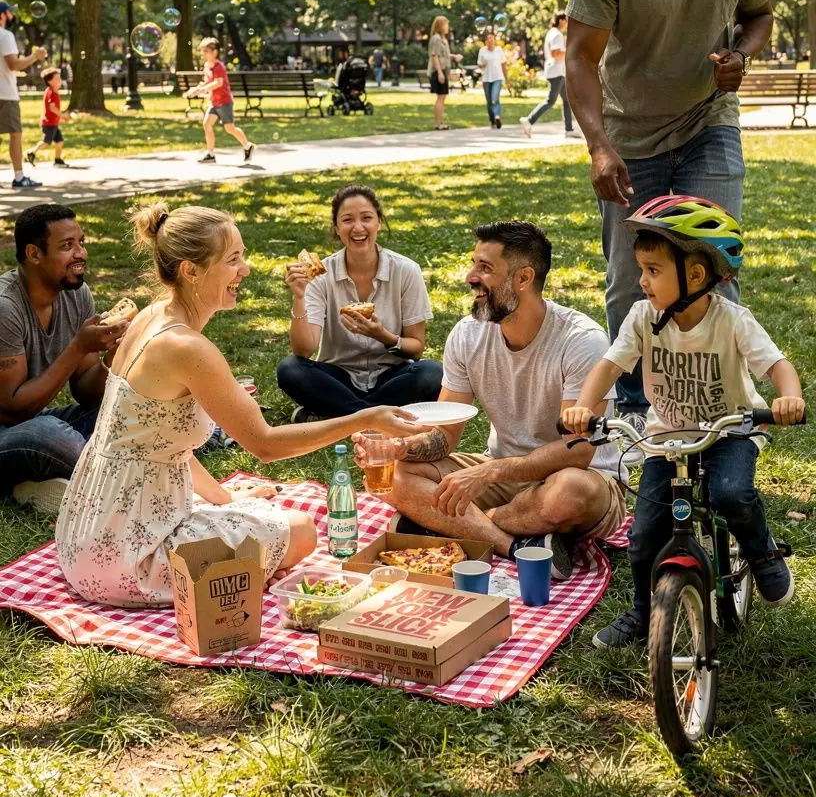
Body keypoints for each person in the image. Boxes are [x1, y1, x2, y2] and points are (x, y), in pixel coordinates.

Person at [55, 202, 423, 608]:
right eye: (233, 260)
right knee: (302, 529)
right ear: (191, 271)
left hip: (84, 538)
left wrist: (225, 500)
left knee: (260, 512)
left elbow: (159, 444)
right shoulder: (186, 347)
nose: (245, 270)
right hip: (129, 559)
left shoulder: (152, 316)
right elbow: (266, 444)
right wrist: (364, 418)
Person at [565, 0, 774, 432]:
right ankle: (637, 410)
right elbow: (580, 57)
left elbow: (758, 14)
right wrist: (599, 146)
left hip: (708, 120)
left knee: (715, 262)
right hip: (629, 134)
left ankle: (724, 410)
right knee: (632, 279)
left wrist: (742, 55)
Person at [562, 196, 805, 647]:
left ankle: (762, 552)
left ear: (694, 276)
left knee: (730, 493)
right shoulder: (643, 317)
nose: (642, 281)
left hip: (730, 431)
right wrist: (584, 406)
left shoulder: (732, 321)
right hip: (668, 437)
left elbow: (777, 365)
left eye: (653, 270)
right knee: (644, 535)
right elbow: (610, 366)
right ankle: (642, 612)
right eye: (642, 269)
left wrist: (789, 397)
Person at [356, 220, 627, 580]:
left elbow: (577, 451)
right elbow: (444, 435)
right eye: (473, 264)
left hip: (579, 476)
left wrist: (489, 473)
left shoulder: (581, 340)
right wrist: (400, 448)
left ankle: (454, 526)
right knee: (394, 476)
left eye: (485, 268)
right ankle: (514, 544)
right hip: (503, 473)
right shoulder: (468, 335)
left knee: (570, 492)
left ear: (523, 278)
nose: (470, 277)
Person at [0, 204, 130, 516]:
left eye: (81, 242)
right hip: (13, 428)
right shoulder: (6, 307)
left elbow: (85, 391)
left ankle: (41, 484)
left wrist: (112, 357)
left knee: (125, 407)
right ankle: (122, 480)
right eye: (67, 245)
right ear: (34, 254)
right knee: (49, 433)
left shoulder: (77, 294)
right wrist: (77, 347)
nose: (81, 254)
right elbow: (12, 409)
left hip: (35, 421)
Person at [277, 183, 443, 422]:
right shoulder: (320, 275)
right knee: (290, 369)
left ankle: (339, 416)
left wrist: (383, 335)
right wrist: (299, 297)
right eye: (347, 220)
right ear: (337, 227)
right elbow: (304, 351)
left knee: (433, 373)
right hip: (337, 377)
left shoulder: (406, 271)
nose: (358, 227)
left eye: (366, 218)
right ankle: (377, 417)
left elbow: (416, 348)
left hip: (391, 376)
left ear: (379, 222)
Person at [182, 38, 254, 165]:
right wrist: (196, 89)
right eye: (203, 51)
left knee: (229, 128)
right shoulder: (207, 66)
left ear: (215, 52)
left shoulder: (218, 66)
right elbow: (207, 82)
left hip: (224, 102)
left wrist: (203, 89)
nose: (204, 54)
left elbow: (218, 83)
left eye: (206, 51)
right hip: (214, 102)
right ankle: (211, 154)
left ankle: (247, 146)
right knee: (207, 124)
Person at [0, 0, 46, 190]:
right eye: (9, 12)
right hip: (5, 93)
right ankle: (19, 177)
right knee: (15, 134)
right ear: (2, 16)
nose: (12, 16)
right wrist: (35, 56)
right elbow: (14, 65)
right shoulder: (5, 35)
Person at [521, 12, 579, 139]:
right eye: (566, 21)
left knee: (567, 100)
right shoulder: (556, 34)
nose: (567, 24)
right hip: (555, 72)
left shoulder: (553, 33)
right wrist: (570, 49)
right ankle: (529, 120)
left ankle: (569, 129)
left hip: (558, 72)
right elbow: (555, 53)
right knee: (550, 101)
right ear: (561, 21)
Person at [26, 67, 68, 169]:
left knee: (59, 141)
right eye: (57, 78)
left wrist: (60, 118)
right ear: (49, 81)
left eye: (60, 78)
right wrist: (62, 115)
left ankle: (57, 160)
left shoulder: (53, 91)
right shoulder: (51, 92)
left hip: (53, 123)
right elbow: (51, 107)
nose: (60, 80)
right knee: (46, 142)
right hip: (49, 123)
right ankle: (31, 152)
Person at [476, 28, 509, 129]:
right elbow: (479, 65)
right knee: (489, 101)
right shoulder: (482, 51)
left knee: (495, 98)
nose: (490, 40)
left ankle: (497, 116)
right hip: (486, 79)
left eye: (492, 38)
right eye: (488, 39)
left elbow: (504, 65)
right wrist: (483, 64)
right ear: (486, 41)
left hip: (497, 78)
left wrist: (507, 79)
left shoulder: (499, 50)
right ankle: (492, 120)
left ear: (494, 40)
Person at [427, 15, 452, 130]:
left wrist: (454, 56)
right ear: (441, 26)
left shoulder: (443, 39)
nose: (447, 27)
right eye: (446, 24)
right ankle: (438, 123)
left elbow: (443, 55)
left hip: (443, 70)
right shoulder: (436, 38)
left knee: (442, 97)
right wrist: (440, 72)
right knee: (440, 97)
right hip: (438, 71)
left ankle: (440, 122)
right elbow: (434, 55)